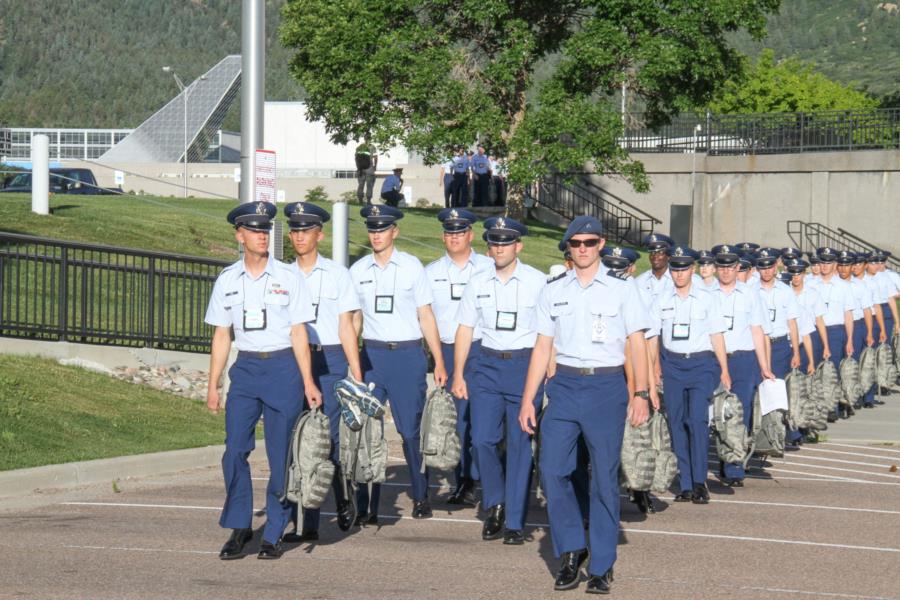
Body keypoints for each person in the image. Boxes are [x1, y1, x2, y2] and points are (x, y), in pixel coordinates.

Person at [518, 216, 650, 594]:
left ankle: (602, 565)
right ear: (568, 247)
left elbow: (636, 343)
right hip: (564, 386)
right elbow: (543, 347)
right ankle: (573, 549)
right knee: (552, 470)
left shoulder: (623, 290)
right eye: (575, 243)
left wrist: (640, 393)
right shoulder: (554, 290)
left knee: (604, 480)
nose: (582, 249)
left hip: (607, 386)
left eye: (590, 242)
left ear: (601, 245)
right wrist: (529, 399)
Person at [205, 201, 322, 561]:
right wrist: (213, 384)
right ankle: (241, 526)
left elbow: (299, 332)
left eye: (265, 230)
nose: (261, 236)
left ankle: (273, 530)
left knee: (280, 454)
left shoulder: (288, 277)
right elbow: (222, 335)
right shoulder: (227, 279)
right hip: (246, 370)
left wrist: (308, 382)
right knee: (235, 450)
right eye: (254, 231)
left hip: (283, 369)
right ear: (240, 236)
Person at [349, 204, 448, 522]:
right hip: (373, 357)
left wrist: (439, 362)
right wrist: (353, 364)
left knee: (410, 432)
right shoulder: (359, 270)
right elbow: (355, 320)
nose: (376, 235)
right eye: (372, 230)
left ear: (395, 232)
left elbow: (426, 315)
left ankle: (421, 495)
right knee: (367, 431)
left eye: (382, 229)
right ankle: (368, 502)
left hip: (407, 356)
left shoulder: (411, 267)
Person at [452, 216, 546, 545]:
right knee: (482, 440)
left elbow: (550, 334)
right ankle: (496, 502)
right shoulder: (477, 283)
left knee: (520, 445)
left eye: (506, 243)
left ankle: (515, 522)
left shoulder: (538, 282)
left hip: (524, 366)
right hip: (487, 366)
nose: (499, 248)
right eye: (494, 243)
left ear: (518, 246)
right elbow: (465, 328)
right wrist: (459, 373)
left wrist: (550, 370)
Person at [282, 201, 362, 541]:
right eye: (295, 231)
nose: (300, 237)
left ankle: (343, 492)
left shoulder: (337, 274)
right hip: (294, 359)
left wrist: (356, 373)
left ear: (320, 235)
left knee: (326, 438)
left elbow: (348, 325)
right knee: (296, 441)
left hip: (329, 359)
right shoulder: (282, 275)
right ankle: (306, 522)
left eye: (306, 231)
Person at [649, 246, 730, 504]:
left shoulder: (707, 297)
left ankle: (699, 481)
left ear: (692, 270)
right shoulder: (661, 299)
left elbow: (717, 335)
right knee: (676, 422)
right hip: (672, 365)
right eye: (675, 269)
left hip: (701, 363)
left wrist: (724, 369)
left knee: (696, 421)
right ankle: (684, 482)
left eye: (684, 269)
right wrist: (654, 368)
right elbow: (653, 336)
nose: (679, 274)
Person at [424, 208, 493, 506]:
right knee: (459, 420)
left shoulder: (489, 267)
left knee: (486, 420)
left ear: (470, 235)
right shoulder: (432, 272)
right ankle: (464, 479)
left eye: (459, 232)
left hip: (483, 350)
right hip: (449, 351)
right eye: (449, 232)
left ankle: (488, 478)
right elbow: (426, 317)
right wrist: (438, 359)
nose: (454, 237)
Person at [710, 244, 773, 486]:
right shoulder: (707, 292)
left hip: (744, 358)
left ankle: (734, 463)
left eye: (730, 267)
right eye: (721, 267)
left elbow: (757, 330)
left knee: (740, 411)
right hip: (715, 358)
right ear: (716, 268)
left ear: (738, 268)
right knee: (718, 413)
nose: (726, 271)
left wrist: (764, 365)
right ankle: (724, 453)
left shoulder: (750, 294)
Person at [813, 247, 855, 422]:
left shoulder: (843, 287)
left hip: (835, 331)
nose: (824, 266)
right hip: (814, 331)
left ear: (835, 264)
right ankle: (817, 408)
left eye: (828, 263)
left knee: (833, 371)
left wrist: (849, 340)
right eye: (822, 262)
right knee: (815, 371)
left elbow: (848, 315)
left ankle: (833, 407)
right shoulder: (810, 284)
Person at [635, 233, 674, 303]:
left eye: (661, 252)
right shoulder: (639, 281)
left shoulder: (677, 279)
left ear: (668, 256)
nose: (655, 256)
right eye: (652, 252)